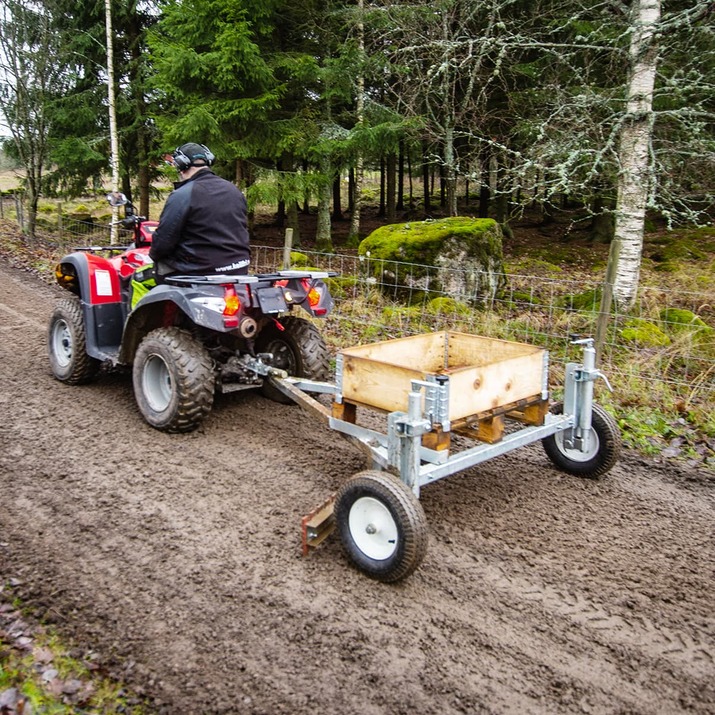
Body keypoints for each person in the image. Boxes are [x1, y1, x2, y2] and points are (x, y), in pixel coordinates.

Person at [149, 142, 251, 281]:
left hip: (199, 272)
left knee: (141, 277)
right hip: (238, 269)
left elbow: (163, 241)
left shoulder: (183, 194)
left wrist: (153, 255)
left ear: (180, 165)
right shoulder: (233, 190)